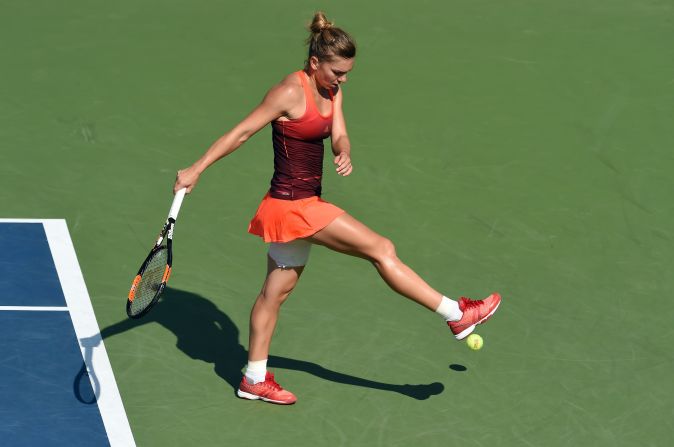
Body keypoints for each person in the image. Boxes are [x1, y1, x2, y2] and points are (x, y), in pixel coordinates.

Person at [174, 12, 501, 405]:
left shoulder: (332, 92)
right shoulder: (288, 92)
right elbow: (241, 132)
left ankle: (253, 379)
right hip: (292, 206)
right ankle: (455, 315)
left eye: (346, 73)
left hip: (302, 204)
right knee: (381, 249)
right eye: (337, 72)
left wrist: (343, 151)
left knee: (273, 295)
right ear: (315, 63)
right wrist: (197, 168)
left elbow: (339, 133)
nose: (342, 79)